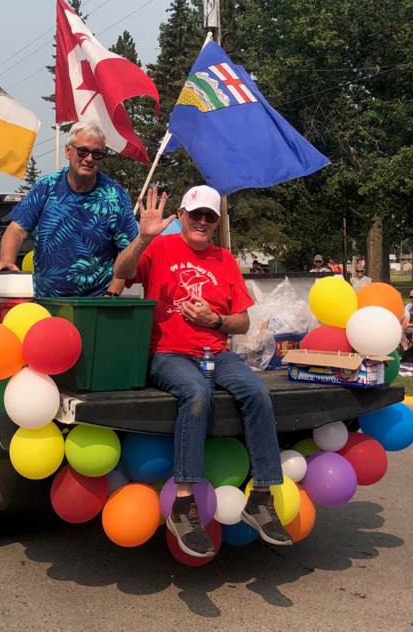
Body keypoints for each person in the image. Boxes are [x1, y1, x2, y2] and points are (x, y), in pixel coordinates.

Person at [114, 184, 292, 558]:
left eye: (209, 216)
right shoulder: (159, 247)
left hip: (216, 351)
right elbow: (121, 272)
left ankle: (261, 498)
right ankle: (183, 505)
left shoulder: (225, 260)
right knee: (196, 393)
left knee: (257, 392)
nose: (202, 221)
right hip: (168, 353)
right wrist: (143, 238)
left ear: (216, 222)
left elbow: (242, 322)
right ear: (180, 216)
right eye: (195, 214)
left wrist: (216, 319)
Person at [0, 122, 138, 297]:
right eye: (83, 151)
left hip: (96, 303)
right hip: (46, 301)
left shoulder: (115, 195)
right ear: (67, 151)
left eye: (97, 154)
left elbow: (127, 251)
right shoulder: (46, 186)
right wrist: (6, 261)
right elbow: (17, 229)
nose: (89, 158)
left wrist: (112, 295)